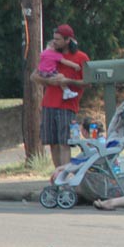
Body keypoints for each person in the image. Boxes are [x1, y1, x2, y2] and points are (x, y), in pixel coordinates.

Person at [31, 24, 89, 167]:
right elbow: (34, 76)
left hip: (67, 106)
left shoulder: (81, 57)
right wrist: (48, 81)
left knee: (64, 143)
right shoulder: (50, 54)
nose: (54, 42)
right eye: (54, 39)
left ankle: (65, 178)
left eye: (58, 39)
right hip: (48, 104)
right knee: (53, 143)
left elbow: (88, 82)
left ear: (68, 40)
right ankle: (58, 177)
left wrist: (67, 81)